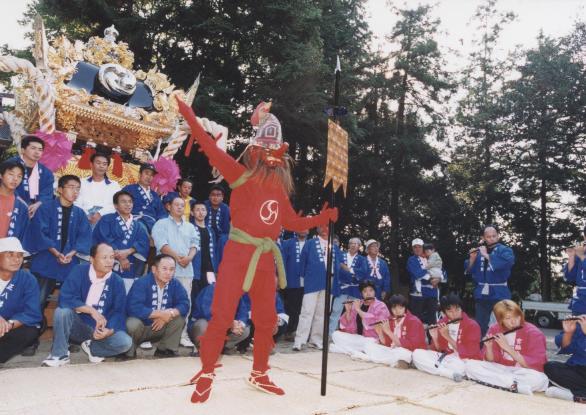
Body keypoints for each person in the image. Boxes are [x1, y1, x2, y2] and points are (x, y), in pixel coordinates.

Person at [177, 99, 337, 402]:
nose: (271, 155)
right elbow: (210, 148)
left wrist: (322, 218)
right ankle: (208, 370)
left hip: (266, 257)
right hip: (239, 253)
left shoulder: (278, 187)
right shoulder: (241, 174)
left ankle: (260, 372)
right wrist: (191, 119)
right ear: (256, 150)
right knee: (222, 314)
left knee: (266, 319)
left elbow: (291, 221)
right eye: (266, 147)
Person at [42, 243, 132, 367]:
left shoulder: (117, 281)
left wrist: (109, 331)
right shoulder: (79, 271)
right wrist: (91, 310)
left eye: (111, 257)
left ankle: (92, 348)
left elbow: (119, 311)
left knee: (125, 342)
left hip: (100, 330)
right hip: (78, 326)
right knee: (62, 312)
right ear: (92, 259)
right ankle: (59, 354)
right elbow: (66, 297)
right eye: (104, 257)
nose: (109, 261)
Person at [26, 175, 92, 311]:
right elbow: (39, 233)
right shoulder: (45, 208)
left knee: (70, 302)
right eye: (71, 187)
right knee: (37, 300)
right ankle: (33, 327)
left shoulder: (79, 213)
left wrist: (71, 254)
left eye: (78, 189)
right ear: (60, 189)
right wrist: (56, 253)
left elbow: (84, 236)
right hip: (46, 260)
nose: (75, 192)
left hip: (69, 263)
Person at [465, 300, 548, 395]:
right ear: (500, 320)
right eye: (508, 318)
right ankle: (514, 385)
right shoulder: (495, 329)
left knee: (541, 380)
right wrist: (489, 348)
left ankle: (501, 382)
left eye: (517, 316)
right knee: (470, 365)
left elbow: (537, 364)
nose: (514, 321)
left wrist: (508, 348)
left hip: (522, 371)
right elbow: (490, 360)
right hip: (500, 369)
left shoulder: (534, 333)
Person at [152, 196, 198, 348]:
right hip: (164, 271)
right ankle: (153, 335)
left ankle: (182, 335)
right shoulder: (161, 224)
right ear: (168, 207)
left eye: (182, 205)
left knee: (185, 303)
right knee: (160, 301)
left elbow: (195, 244)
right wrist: (178, 259)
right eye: (176, 205)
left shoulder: (190, 227)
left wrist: (189, 258)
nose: (180, 207)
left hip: (186, 270)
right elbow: (162, 244)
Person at [125, 254, 190, 358]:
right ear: (154, 269)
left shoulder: (175, 284)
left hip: (161, 328)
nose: (168, 273)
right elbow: (133, 308)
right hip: (142, 328)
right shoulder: (141, 283)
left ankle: (165, 350)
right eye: (164, 269)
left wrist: (169, 314)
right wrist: (160, 314)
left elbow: (185, 304)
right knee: (132, 323)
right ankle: (128, 352)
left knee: (179, 319)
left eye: (172, 269)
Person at [412, 293, 481, 382]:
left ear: (461, 309)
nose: (455, 314)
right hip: (445, 358)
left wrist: (447, 336)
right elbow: (438, 350)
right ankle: (447, 373)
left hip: (461, 359)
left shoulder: (472, 325)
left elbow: (470, 352)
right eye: (450, 311)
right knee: (417, 353)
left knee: (464, 367)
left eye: (457, 310)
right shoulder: (442, 323)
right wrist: (435, 338)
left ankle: (433, 368)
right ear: (444, 313)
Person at [294, 226, 341, 351]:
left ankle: (316, 340)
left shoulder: (334, 247)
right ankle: (300, 340)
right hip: (312, 282)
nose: (324, 228)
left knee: (322, 313)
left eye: (327, 225)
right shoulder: (310, 243)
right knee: (307, 311)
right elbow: (302, 262)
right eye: (321, 226)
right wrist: (303, 279)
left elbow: (338, 266)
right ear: (317, 229)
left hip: (329, 282)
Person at [92, 190, 150, 293]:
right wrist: (120, 257)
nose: (128, 204)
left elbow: (143, 242)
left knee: (126, 296)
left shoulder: (138, 225)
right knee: (106, 295)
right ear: (116, 205)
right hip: (109, 265)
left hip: (130, 268)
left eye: (130, 201)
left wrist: (128, 252)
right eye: (123, 201)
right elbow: (103, 239)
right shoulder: (107, 219)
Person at [465, 225, 515, 336]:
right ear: (483, 237)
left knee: (504, 323)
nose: (491, 238)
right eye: (488, 236)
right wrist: (472, 259)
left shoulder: (505, 250)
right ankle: (482, 348)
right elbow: (469, 271)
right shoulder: (478, 251)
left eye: (494, 236)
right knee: (480, 324)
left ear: (498, 236)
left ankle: (504, 348)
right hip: (482, 293)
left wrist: (486, 255)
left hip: (499, 292)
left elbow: (508, 262)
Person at [0, 237, 42, 363]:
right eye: (10, 255)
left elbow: (32, 313)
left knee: (30, 331)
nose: (16, 259)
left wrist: (8, 325)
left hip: (9, 327)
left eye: (19, 255)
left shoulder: (27, 279)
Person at [357, 294, 426, 368]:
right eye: (394, 308)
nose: (397, 311)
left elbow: (412, 345)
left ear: (405, 308)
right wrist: (380, 332)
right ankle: (396, 361)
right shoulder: (390, 320)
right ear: (391, 309)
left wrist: (388, 332)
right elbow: (387, 343)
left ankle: (372, 357)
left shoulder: (414, 321)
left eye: (400, 308)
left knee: (403, 353)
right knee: (370, 344)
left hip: (408, 351)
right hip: (393, 351)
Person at [329, 281, 390, 357]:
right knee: (336, 334)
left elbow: (374, 323)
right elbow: (349, 329)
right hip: (358, 338)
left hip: (373, 339)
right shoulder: (359, 304)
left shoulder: (381, 306)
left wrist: (358, 310)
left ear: (375, 292)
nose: (368, 293)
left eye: (371, 290)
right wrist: (348, 311)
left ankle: (352, 350)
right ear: (361, 294)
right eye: (365, 291)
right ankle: (358, 351)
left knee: (369, 344)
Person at [189, 283, 250, 355]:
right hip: (205, 324)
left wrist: (240, 324)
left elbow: (243, 311)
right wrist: (230, 323)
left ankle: (222, 347)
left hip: (224, 327)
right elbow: (208, 313)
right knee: (202, 325)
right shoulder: (211, 289)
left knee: (245, 330)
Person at [7, 135, 55, 218]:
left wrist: (38, 204)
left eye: (40, 150)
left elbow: (47, 193)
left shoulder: (46, 173)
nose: (37, 152)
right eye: (33, 148)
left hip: (36, 208)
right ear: (23, 150)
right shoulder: (10, 165)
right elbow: (5, 185)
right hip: (12, 204)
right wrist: (21, 203)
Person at [329, 237, 369, 336]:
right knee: (336, 310)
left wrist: (349, 269)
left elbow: (363, 272)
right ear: (349, 245)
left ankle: (350, 334)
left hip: (355, 289)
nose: (354, 245)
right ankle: (330, 334)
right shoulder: (341, 256)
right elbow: (338, 270)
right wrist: (352, 273)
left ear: (359, 247)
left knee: (353, 312)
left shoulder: (362, 259)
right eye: (352, 243)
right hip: (342, 288)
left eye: (356, 244)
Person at [544, 315, 586, 404]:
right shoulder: (582, 323)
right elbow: (566, 349)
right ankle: (578, 395)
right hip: (578, 370)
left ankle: (574, 395)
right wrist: (569, 333)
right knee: (551, 367)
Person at [75, 152, 122, 228]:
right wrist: (87, 215)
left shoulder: (114, 185)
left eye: (104, 164)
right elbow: (76, 202)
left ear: (107, 167)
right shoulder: (81, 182)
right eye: (98, 163)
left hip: (106, 220)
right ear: (91, 164)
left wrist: (100, 214)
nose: (101, 166)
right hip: (83, 219)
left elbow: (117, 204)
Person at [280, 229, 308, 340]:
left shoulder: (311, 244)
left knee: (303, 308)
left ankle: (298, 330)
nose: (303, 230)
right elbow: (283, 262)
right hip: (291, 281)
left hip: (307, 283)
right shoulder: (288, 243)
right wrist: (283, 280)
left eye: (305, 228)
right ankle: (289, 330)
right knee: (291, 307)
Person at [122, 163, 166, 233]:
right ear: (139, 175)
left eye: (151, 175)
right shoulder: (129, 189)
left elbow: (162, 214)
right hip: (135, 223)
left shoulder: (155, 195)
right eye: (146, 173)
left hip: (153, 226)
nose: (149, 177)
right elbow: (121, 207)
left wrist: (162, 225)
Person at [190, 200, 218, 301]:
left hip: (209, 269)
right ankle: (193, 316)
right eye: (197, 210)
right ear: (192, 213)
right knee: (194, 295)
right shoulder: (190, 228)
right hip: (195, 268)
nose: (201, 212)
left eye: (203, 210)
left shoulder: (210, 230)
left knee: (209, 294)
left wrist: (215, 268)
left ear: (206, 212)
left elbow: (214, 252)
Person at [407, 238, 440, 326]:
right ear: (412, 249)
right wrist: (430, 276)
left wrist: (438, 279)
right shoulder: (411, 260)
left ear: (423, 248)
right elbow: (417, 274)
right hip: (418, 294)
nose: (417, 249)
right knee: (416, 320)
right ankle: (416, 339)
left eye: (419, 247)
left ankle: (432, 339)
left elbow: (442, 273)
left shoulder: (432, 257)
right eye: (415, 247)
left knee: (432, 320)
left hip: (432, 293)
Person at [0, 161, 29, 240]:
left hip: (8, 250)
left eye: (19, 176)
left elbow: (23, 236)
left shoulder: (22, 206)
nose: (15, 179)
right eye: (11, 174)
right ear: (1, 175)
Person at [563, 236, 586, 315]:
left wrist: (583, 257)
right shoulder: (580, 252)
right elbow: (569, 277)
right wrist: (571, 257)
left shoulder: (581, 255)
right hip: (580, 304)